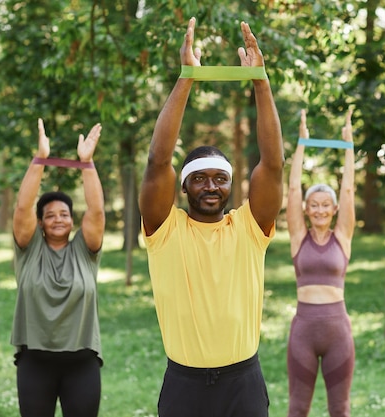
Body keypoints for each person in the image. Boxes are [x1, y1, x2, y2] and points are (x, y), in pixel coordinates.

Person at [139, 17, 284, 417]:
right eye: (198, 179)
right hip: (184, 385)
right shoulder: (164, 231)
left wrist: (260, 81)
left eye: (220, 179)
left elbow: (272, 164)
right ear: (183, 188)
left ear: (230, 186)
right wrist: (187, 76)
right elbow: (157, 161)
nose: (210, 186)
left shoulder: (249, 229)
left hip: (243, 383)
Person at [10, 118, 105, 417]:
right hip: (35, 361)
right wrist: (40, 159)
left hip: (82, 361)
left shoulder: (85, 251)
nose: (58, 219)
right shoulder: (29, 249)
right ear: (40, 223)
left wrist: (86, 164)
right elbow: (23, 208)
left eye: (64, 214)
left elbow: (97, 210)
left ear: (72, 221)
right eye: (50, 215)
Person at [286, 109, 356, 417]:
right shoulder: (299, 236)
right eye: (314, 205)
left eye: (326, 205)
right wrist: (301, 143)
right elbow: (291, 189)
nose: (319, 210)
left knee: (339, 410)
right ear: (306, 208)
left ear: (335, 208)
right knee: (298, 408)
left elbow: (349, 190)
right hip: (303, 330)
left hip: (337, 330)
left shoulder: (342, 236)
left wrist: (349, 147)